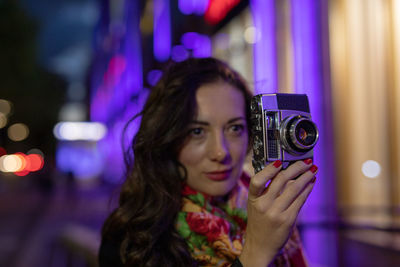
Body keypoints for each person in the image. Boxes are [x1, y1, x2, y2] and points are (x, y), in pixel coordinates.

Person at [99, 57, 317, 267]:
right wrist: (256, 253)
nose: (221, 152)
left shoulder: (264, 208)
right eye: (197, 131)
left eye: (235, 128)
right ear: (166, 138)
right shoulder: (132, 240)